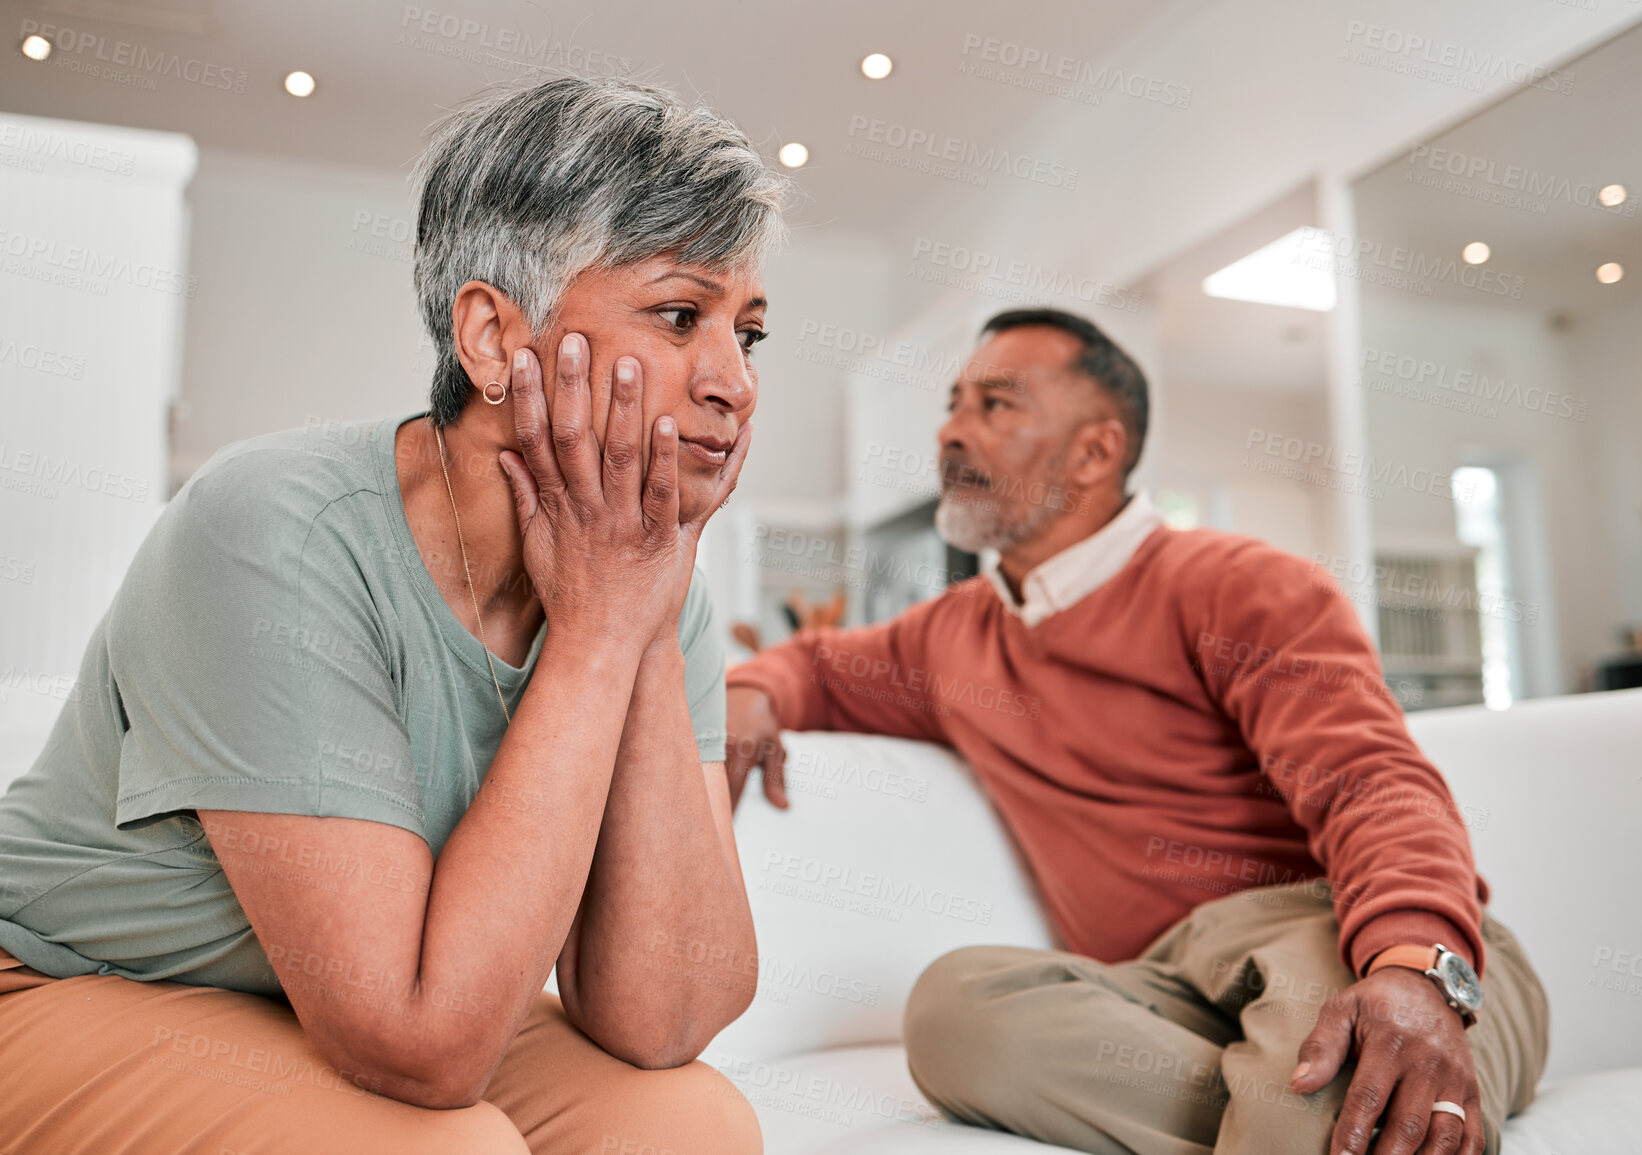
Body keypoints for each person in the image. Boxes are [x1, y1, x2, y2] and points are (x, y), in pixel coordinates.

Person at [0, 74, 789, 1154]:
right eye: (680, 315)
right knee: (440, 1147)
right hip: (60, 979)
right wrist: (602, 635)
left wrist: (640, 626)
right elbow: (422, 1044)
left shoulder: (646, 572)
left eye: (750, 334)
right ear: (491, 337)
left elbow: (667, 1018)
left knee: (690, 1123)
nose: (734, 384)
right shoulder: (274, 525)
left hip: (332, 996)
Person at [724, 308, 1549, 1155]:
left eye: (995, 405)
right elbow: (815, 666)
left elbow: (1369, 782)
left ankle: (1317, 1100)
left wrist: (1413, 971)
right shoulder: (948, 636)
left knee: (1314, 1085)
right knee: (956, 1010)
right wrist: (751, 690)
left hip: (1339, 938)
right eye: (953, 403)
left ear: (1094, 451)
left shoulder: (1240, 585)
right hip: (1164, 984)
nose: (950, 432)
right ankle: (1273, 1108)